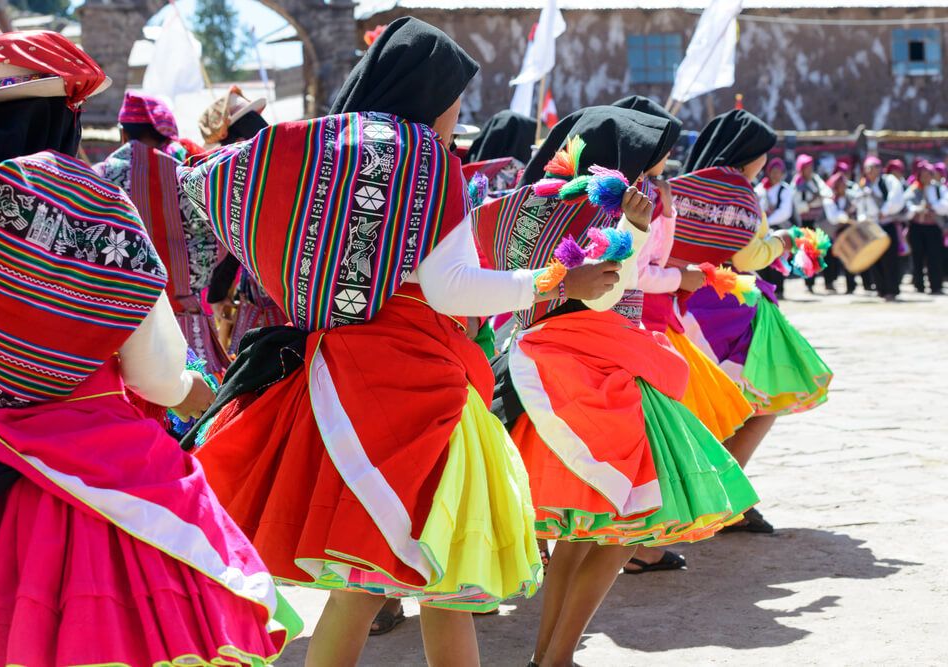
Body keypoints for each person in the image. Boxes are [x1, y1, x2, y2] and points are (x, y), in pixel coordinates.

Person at [179, 19, 622, 666]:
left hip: (341, 374)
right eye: (456, 103)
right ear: (429, 95)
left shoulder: (329, 152)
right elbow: (448, 288)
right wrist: (559, 278)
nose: (457, 118)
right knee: (433, 581)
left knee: (375, 583)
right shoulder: (428, 161)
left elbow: (211, 187)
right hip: (419, 384)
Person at [0, 30, 300, 665]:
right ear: (61, 118)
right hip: (96, 488)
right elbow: (159, 376)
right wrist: (202, 392)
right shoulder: (98, 208)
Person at [476, 106, 758, 667]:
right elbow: (604, 295)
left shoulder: (517, 204)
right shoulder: (607, 203)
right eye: (651, 163)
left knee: (581, 533)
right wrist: (633, 226)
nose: (653, 175)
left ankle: (550, 657)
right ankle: (554, 657)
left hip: (535, 367)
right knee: (621, 527)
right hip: (599, 370)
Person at [670, 109, 833, 533]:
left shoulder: (680, 189)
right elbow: (747, 258)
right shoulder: (739, 193)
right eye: (763, 154)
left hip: (679, 306)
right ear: (749, 156)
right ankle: (726, 495)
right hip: (729, 312)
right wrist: (783, 240)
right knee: (757, 404)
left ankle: (710, 496)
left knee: (699, 409)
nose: (765, 162)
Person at [616, 94, 754, 575]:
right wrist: (681, 277)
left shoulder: (652, 191)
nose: (668, 157)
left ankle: (641, 540)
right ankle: (635, 542)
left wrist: (668, 212)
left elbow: (652, 259)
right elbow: (631, 273)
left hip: (654, 319)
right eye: (662, 146)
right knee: (655, 432)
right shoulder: (621, 193)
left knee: (668, 429)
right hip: (634, 323)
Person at [94, 91, 230, 374]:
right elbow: (221, 239)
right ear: (168, 136)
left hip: (124, 332)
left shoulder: (100, 178)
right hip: (189, 331)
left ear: (122, 134)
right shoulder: (189, 176)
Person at [194, 87, 281, 355]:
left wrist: (218, 293)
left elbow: (233, 242)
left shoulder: (243, 175)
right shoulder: (286, 155)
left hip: (264, 299)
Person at [858, 156, 906, 301]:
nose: (872, 171)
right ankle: (881, 288)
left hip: (887, 224)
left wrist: (884, 211)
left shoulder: (889, 181)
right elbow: (860, 207)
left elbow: (895, 198)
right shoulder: (862, 186)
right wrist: (863, 220)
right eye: (869, 168)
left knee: (890, 258)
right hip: (871, 227)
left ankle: (892, 289)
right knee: (875, 258)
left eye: (875, 167)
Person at [755, 156, 798, 298]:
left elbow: (785, 212)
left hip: (778, 229)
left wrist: (767, 221)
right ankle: (765, 289)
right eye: (773, 171)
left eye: (778, 171)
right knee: (763, 259)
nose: (775, 174)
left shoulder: (785, 190)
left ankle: (778, 290)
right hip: (762, 231)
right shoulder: (761, 188)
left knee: (778, 259)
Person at [791, 154, 834, 292]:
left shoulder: (816, 179)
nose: (809, 170)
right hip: (806, 223)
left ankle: (829, 281)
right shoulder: (797, 183)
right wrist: (811, 202)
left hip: (819, 221)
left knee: (824, 250)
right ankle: (809, 284)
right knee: (808, 253)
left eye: (810, 167)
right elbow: (798, 206)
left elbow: (827, 192)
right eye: (807, 167)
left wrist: (819, 197)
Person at [905, 160, 948, 294]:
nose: (925, 177)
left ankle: (935, 285)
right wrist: (918, 209)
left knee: (934, 256)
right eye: (922, 175)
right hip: (917, 227)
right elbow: (906, 207)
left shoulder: (938, 188)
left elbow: (945, 206)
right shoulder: (913, 188)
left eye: (928, 174)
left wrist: (933, 207)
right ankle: (919, 285)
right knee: (917, 257)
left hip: (933, 227)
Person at [822, 168, 862, 293]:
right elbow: (834, 218)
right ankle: (829, 282)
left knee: (848, 257)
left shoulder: (851, 197)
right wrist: (846, 216)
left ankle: (851, 285)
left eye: (844, 185)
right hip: (830, 232)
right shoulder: (829, 200)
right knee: (829, 258)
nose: (843, 187)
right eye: (840, 185)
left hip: (847, 233)